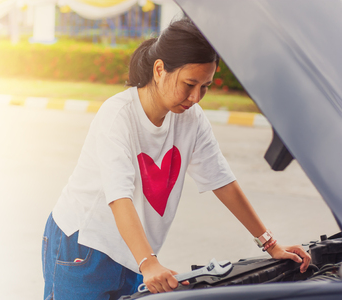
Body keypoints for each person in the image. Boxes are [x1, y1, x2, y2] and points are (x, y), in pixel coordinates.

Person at [42, 18, 311, 300]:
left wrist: (271, 244)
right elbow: (119, 197)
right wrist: (148, 263)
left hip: (136, 250)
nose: (195, 97)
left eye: (205, 87)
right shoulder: (117, 116)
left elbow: (223, 181)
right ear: (159, 70)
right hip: (85, 244)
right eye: (189, 84)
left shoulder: (190, 118)